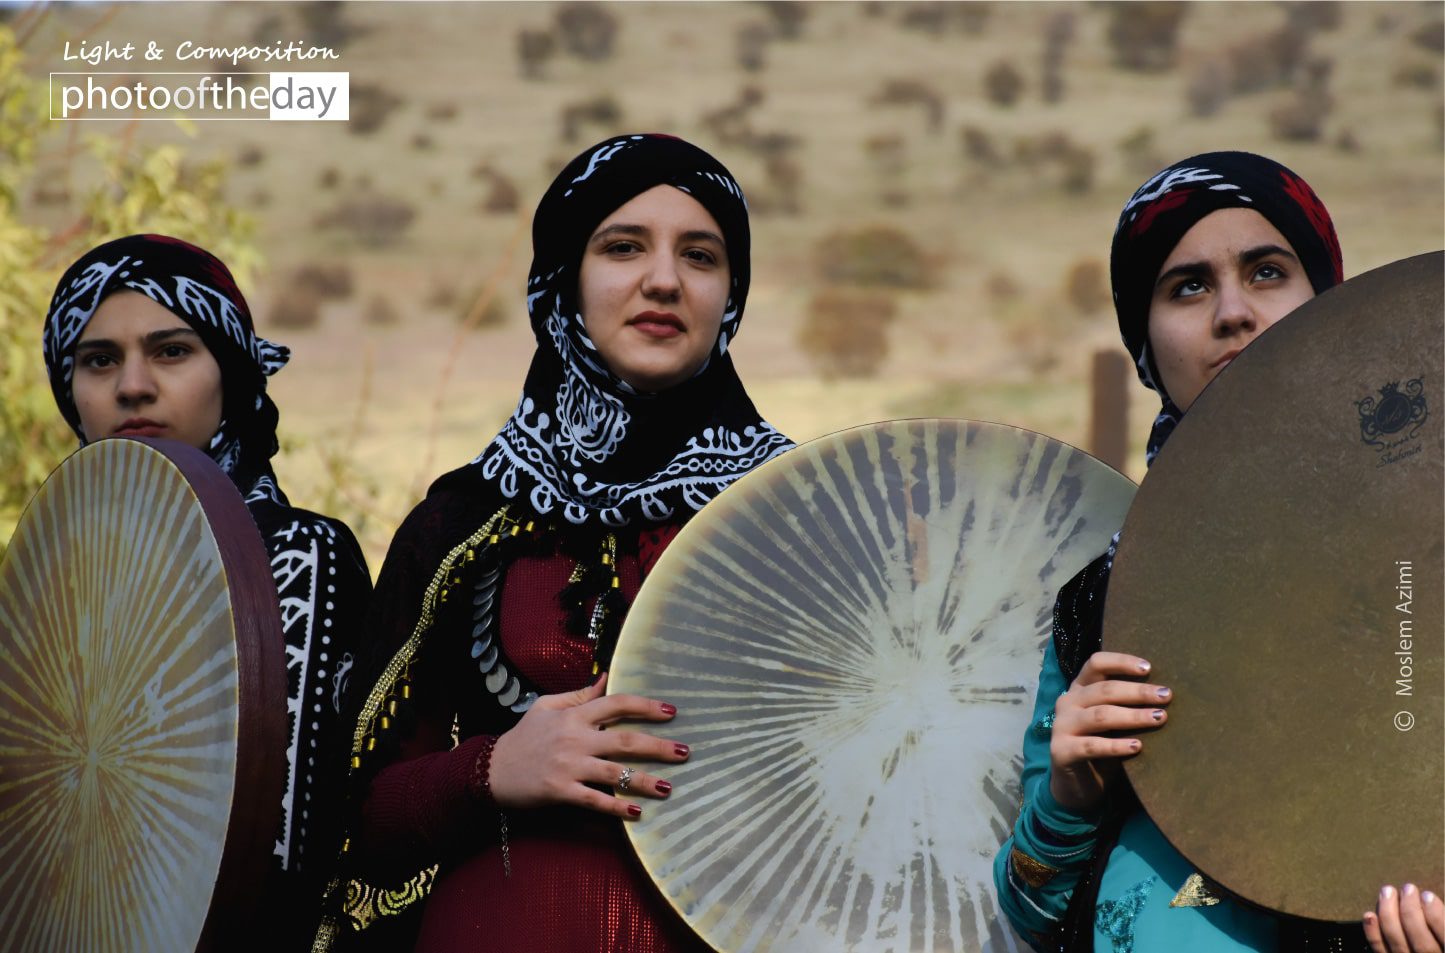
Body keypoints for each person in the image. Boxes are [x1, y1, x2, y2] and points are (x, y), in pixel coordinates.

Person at [315, 134, 793, 952]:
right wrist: (491, 770)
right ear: (562, 278)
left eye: (701, 255)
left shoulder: (799, 517)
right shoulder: (460, 527)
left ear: (732, 294)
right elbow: (350, 814)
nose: (664, 279)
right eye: (622, 246)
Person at [992, 152, 1445, 953]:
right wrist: (1067, 795)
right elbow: (1030, 912)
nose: (1232, 311)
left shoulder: (1429, 545)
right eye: (1187, 286)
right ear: (1143, 341)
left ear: (1331, 305)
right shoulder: (1102, 604)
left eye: (1267, 271)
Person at [42, 234, 372, 945]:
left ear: (232, 373)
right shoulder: (45, 581)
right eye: (99, 359)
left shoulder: (292, 556)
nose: (133, 384)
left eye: (171, 351)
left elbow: (282, 855)